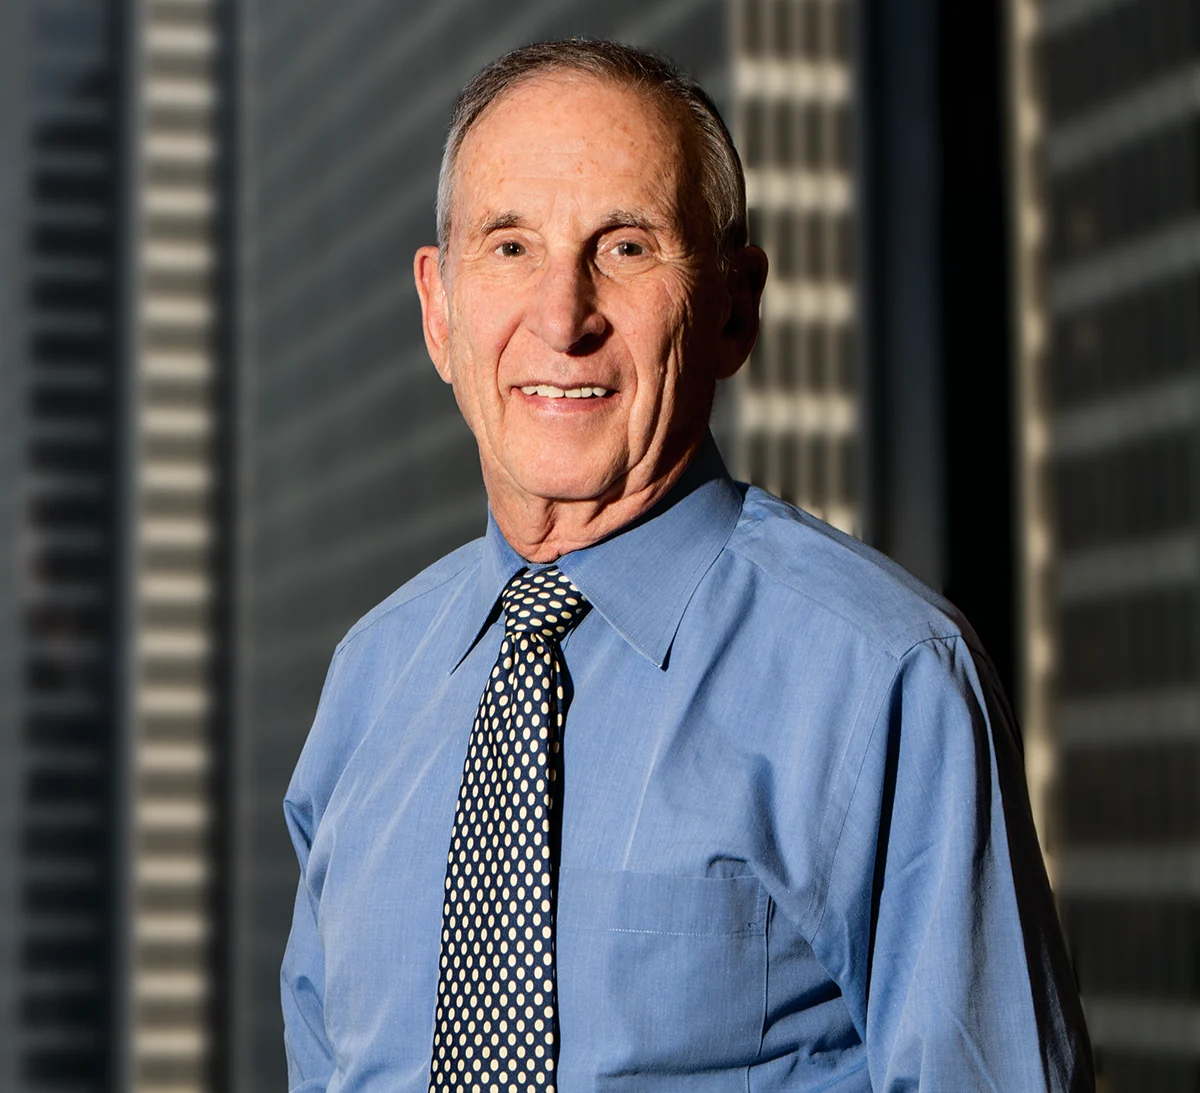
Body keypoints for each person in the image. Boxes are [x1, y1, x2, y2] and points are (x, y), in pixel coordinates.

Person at [281, 39, 1093, 1093]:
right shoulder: (370, 680)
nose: (563, 317)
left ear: (734, 307)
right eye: (511, 245)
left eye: (626, 247)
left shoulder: (887, 679)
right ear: (439, 310)